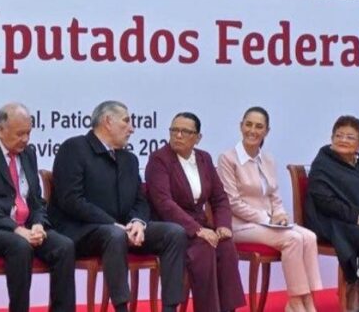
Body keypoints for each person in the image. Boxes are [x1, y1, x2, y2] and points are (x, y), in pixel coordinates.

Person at [48, 100, 186, 312]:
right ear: (107, 121)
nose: (132, 128)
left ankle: (170, 307)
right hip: (80, 231)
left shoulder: (128, 158)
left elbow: (140, 199)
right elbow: (71, 200)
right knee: (114, 235)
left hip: (122, 229)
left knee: (174, 232)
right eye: (126, 121)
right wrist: (113, 224)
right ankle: (122, 307)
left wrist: (138, 222)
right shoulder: (74, 148)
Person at [0, 103, 76, 312]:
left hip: (26, 227)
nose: (25, 139)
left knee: (64, 246)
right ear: (1, 129)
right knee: (19, 245)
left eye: (28, 133)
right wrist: (16, 229)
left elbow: (36, 200)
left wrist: (39, 223)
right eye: (19, 134)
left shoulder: (28, 153)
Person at [217, 106, 322, 312]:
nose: (252, 131)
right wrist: (266, 218)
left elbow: (275, 196)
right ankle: (295, 301)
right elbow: (232, 202)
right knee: (293, 239)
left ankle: (306, 299)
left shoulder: (269, 159)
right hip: (240, 225)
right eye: (248, 125)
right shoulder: (227, 159)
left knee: (309, 237)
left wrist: (280, 215)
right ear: (241, 126)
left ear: (267, 131)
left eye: (259, 126)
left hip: (267, 224)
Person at [145, 112, 244, 312]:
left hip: (201, 224)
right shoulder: (159, 159)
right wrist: (197, 229)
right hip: (174, 228)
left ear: (197, 138)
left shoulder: (204, 158)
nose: (178, 135)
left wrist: (224, 225)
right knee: (204, 248)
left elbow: (219, 198)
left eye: (185, 131)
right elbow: (164, 203)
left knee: (226, 246)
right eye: (174, 130)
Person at [306, 115, 359, 310]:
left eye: (350, 137)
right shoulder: (323, 164)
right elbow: (325, 202)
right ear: (332, 137)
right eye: (339, 135)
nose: (343, 140)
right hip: (332, 221)